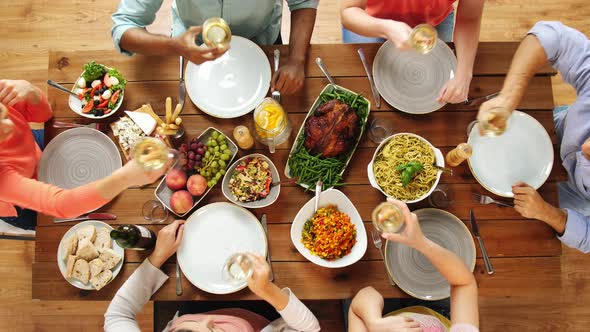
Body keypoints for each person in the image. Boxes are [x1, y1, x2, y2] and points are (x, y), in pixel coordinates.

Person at [476, 21, 590, 253]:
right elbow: (553, 37)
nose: (587, 148)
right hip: (555, 129)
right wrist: (508, 99)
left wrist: (546, 212)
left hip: (572, 199)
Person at [0, 79, 169, 230]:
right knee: (48, 227)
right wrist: (125, 178)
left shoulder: (3, 94)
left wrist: (32, 92)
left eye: (4, 114)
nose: (9, 126)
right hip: (21, 203)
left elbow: (45, 115)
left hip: (35, 149)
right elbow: (62, 205)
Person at [104, 220, 321, 332]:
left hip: (190, 306)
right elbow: (310, 329)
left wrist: (158, 256)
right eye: (213, 329)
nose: (208, 319)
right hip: (260, 314)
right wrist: (268, 291)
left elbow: (117, 315)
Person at [111, 0, 318, 95]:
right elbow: (124, 27)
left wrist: (296, 61)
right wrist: (172, 45)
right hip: (191, 50)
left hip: (261, 42)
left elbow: (303, 3)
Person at [348, 199, 479, 332]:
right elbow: (464, 283)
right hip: (442, 315)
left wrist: (374, 323)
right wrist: (422, 243)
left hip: (389, 314)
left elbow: (364, 297)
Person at [340, 0, 484, 104]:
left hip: (435, 20)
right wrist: (386, 28)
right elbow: (348, 11)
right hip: (371, 18)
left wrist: (464, 74)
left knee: (436, 81)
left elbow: (469, 18)